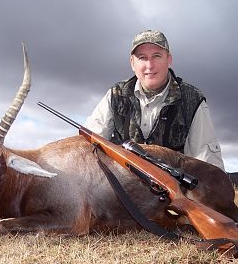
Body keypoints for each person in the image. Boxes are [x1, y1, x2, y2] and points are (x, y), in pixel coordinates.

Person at [85, 30, 225, 170]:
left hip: (174, 188)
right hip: (121, 187)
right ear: (132, 63)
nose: (149, 65)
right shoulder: (116, 94)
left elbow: (209, 165)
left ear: (169, 60)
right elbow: (87, 145)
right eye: (142, 57)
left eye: (157, 56)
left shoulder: (193, 100)